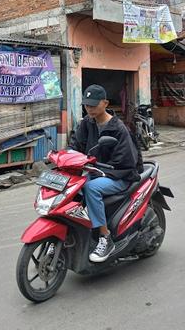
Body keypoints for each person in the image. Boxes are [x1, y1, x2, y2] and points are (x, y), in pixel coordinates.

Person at [70, 84, 139, 263]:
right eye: (87, 105)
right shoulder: (86, 123)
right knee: (70, 186)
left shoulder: (119, 129)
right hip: (95, 172)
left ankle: (105, 237)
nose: (89, 108)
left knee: (90, 188)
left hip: (119, 177)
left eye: (93, 105)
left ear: (105, 103)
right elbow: (75, 146)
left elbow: (126, 163)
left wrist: (102, 172)